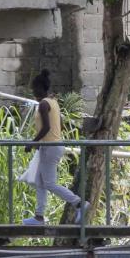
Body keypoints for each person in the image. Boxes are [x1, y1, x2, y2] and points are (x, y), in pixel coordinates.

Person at [22, 69, 90, 225]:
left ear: (41, 88)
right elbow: (60, 124)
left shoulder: (44, 104)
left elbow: (46, 128)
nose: (33, 92)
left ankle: (79, 203)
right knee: (40, 181)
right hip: (52, 145)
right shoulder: (53, 102)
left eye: (34, 89)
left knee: (49, 183)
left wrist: (33, 143)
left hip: (50, 147)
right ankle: (39, 217)